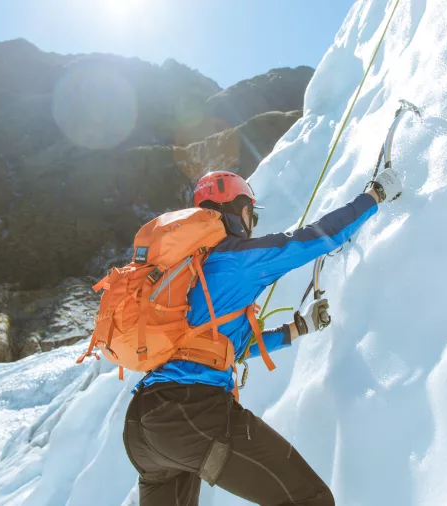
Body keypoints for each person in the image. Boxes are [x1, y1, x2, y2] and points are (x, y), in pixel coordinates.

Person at [122, 169, 402, 505]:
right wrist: (374, 196)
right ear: (236, 212)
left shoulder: (184, 273)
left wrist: (295, 330)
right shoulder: (236, 260)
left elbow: (224, 349)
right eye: (249, 214)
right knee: (308, 499)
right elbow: (316, 237)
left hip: (143, 427)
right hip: (190, 413)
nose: (251, 222)